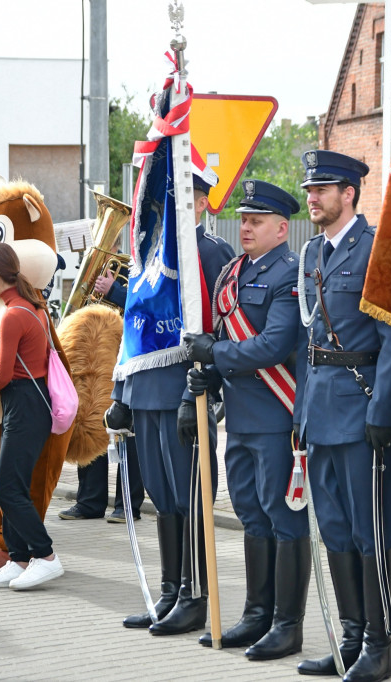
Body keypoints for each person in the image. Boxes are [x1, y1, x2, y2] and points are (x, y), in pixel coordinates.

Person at [293, 150, 391, 682]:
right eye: (310, 189)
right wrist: (300, 412)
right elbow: (308, 343)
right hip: (321, 411)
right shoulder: (313, 252)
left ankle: (379, 647)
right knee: (335, 531)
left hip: (363, 412)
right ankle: (350, 639)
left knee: (369, 533)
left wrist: (383, 408)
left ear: (350, 194)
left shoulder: (374, 251)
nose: (312, 198)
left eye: (323, 189)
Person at [183, 179, 310, 660]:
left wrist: (215, 352)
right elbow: (216, 337)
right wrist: (207, 377)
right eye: (243, 219)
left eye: (256, 221)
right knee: (251, 515)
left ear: (282, 228)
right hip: (238, 416)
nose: (246, 227)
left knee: (282, 517)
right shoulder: (233, 271)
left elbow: (275, 345)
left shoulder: (288, 273)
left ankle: (286, 625)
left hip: (277, 414)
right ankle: (257, 614)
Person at [106, 169, 235, 635]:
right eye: (163, 200)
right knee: (162, 498)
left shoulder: (210, 251)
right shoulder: (148, 254)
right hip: (145, 393)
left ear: (201, 204)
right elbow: (133, 329)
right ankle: (169, 591)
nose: (166, 208)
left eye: (181, 198)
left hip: (184, 393)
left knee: (190, 497)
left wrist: (195, 390)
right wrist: (122, 394)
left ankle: (195, 597)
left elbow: (217, 332)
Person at [0, 242, 64, 590]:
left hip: (24, 404)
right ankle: (20, 557)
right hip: (27, 404)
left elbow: (5, 373)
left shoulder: (12, 313)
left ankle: (46, 556)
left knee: (8, 488)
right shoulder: (31, 306)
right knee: (12, 485)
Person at [58, 263, 144, 524]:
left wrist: (114, 291)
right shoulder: (112, 262)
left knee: (127, 430)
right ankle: (89, 501)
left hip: (126, 349)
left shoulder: (148, 262)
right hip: (94, 350)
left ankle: (127, 505)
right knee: (89, 421)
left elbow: (150, 303)